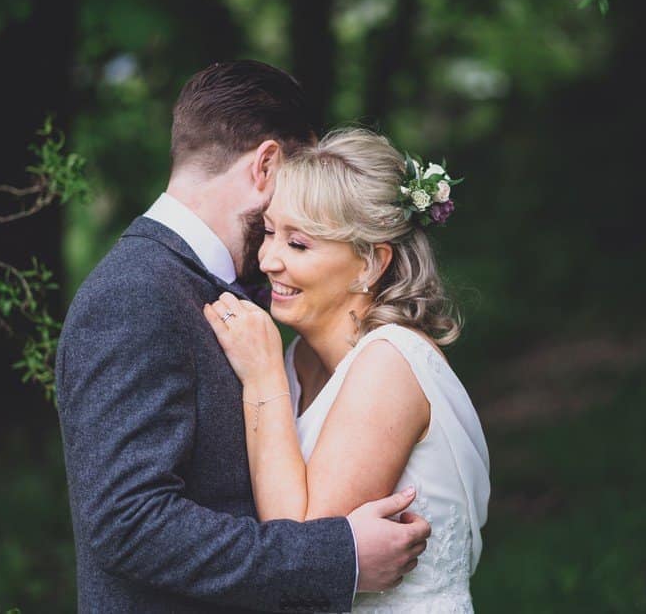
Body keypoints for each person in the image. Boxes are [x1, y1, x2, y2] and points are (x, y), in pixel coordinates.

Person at [55, 61, 431, 613]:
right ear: (267, 164)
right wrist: (337, 557)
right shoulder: (132, 294)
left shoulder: (246, 292)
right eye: (298, 180)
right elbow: (127, 522)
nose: (300, 204)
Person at [203, 128, 491, 613]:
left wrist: (262, 375)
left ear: (369, 264)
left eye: (298, 244)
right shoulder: (301, 360)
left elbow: (304, 547)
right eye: (270, 232)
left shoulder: (389, 362)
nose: (268, 259)